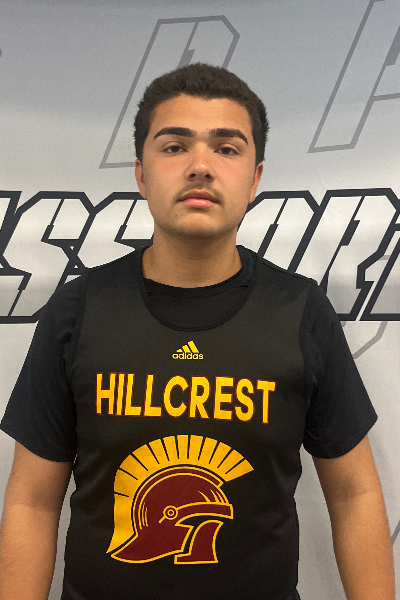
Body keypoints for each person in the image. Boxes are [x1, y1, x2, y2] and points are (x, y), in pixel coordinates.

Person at [0, 63, 395, 600]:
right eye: (175, 146)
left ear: (254, 178)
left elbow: (354, 495)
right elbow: (31, 502)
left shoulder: (301, 311)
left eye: (227, 148)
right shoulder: (79, 309)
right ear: (142, 174)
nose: (201, 166)